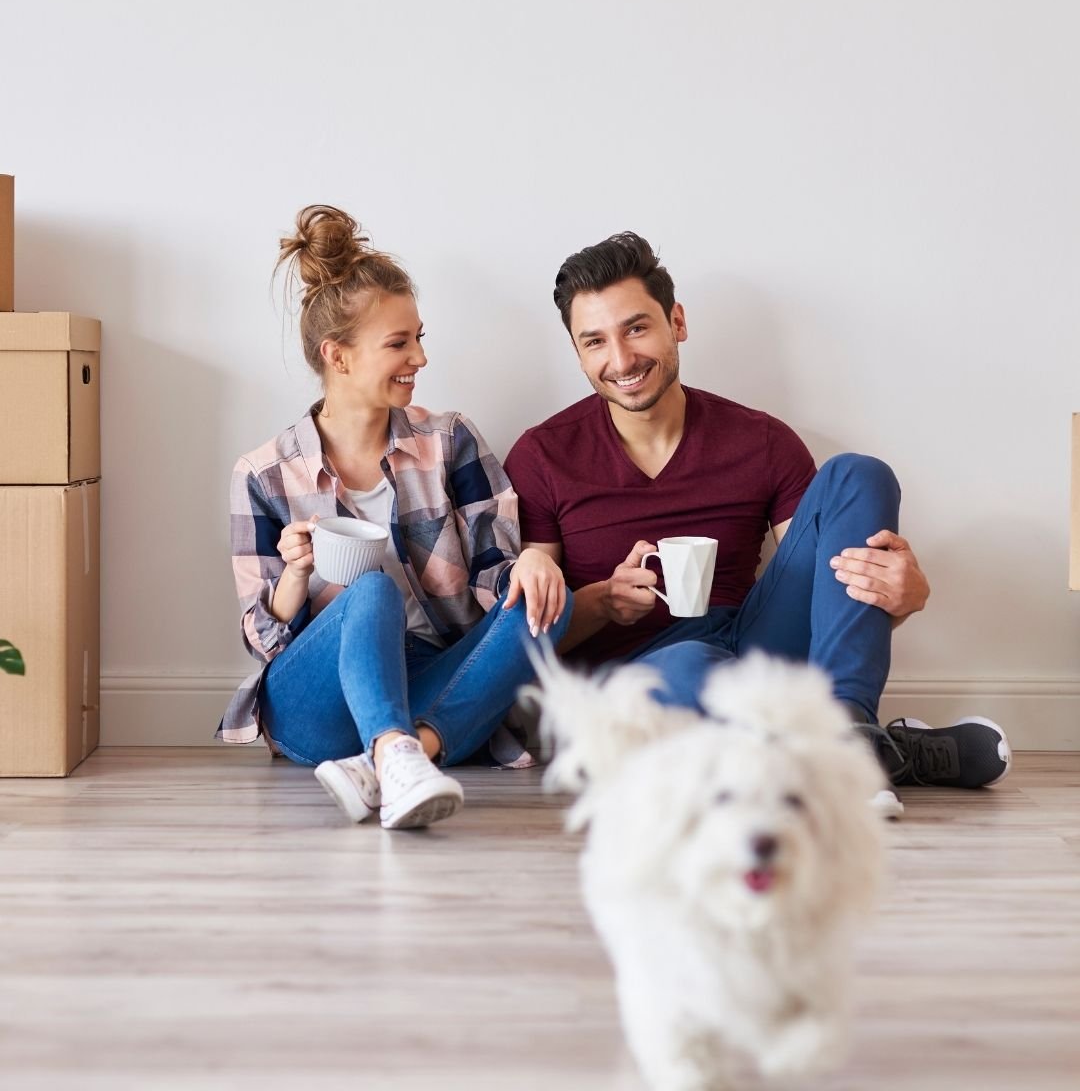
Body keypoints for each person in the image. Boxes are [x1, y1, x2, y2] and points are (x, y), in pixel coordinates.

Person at [504, 232, 1011, 800]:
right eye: (594, 341)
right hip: (632, 683)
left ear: (677, 322)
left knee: (857, 474)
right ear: (577, 352)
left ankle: (847, 731)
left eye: (637, 328)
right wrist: (603, 602)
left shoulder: (760, 441)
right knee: (691, 669)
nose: (620, 360)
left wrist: (902, 601)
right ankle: (880, 754)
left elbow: (831, 598)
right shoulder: (543, 455)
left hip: (750, 647)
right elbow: (523, 641)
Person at [218, 206, 570, 829]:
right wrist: (296, 580)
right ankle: (398, 750)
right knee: (371, 589)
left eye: (419, 337)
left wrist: (531, 570)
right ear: (340, 356)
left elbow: (496, 574)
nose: (420, 357)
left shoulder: (451, 440)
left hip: (428, 680)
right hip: (316, 703)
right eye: (399, 343)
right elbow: (259, 639)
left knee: (549, 600)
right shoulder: (264, 474)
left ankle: (393, 761)